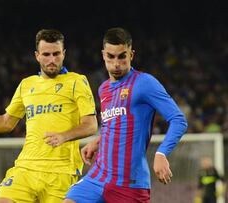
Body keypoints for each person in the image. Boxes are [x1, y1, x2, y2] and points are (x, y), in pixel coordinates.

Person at [0, 29, 98, 203]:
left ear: (64, 54)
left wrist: (64, 136)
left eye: (56, 54)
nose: (51, 60)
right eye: (46, 54)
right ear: (37, 56)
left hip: (61, 172)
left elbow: (91, 124)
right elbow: (6, 122)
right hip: (26, 168)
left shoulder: (77, 81)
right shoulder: (26, 85)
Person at [64, 27, 188, 203]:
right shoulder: (103, 89)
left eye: (122, 56)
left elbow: (178, 120)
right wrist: (98, 141)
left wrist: (161, 153)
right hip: (98, 177)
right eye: (111, 56)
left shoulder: (144, 83)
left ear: (131, 55)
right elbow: (113, 122)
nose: (116, 63)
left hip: (129, 184)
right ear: (103, 55)